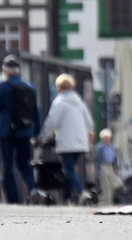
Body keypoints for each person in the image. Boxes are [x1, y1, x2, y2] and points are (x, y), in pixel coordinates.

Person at [0, 54, 42, 204]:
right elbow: (36, 112)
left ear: (5, 70)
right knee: (25, 163)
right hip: (25, 131)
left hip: (6, 133)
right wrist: (37, 132)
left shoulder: (2, 87)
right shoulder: (29, 87)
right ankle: (33, 189)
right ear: (18, 70)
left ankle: (13, 200)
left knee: (7, 167)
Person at [40, 73, 94, 205]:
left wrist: (42, 137)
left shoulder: (59, 102)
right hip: (80, 143)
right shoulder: (80, 102)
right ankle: (67, 198)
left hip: (66, 142)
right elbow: (89, 123)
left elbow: (51, 122)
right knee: (70, 170)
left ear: (60, 87)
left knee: (68, 170)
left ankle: (81, 192)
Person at [94, 128, 122, 206]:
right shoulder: (99, 147)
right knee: (105, 185)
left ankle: (108, 201)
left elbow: (114, 158)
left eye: (108, 138)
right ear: (102, 139)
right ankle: (107, 202)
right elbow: (97, 159)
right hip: (103, 166)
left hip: (110, 166)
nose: (107, 140)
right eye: (106, 138)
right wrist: (97, 170)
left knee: (111, 185)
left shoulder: (111, 147)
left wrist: (116, 168)